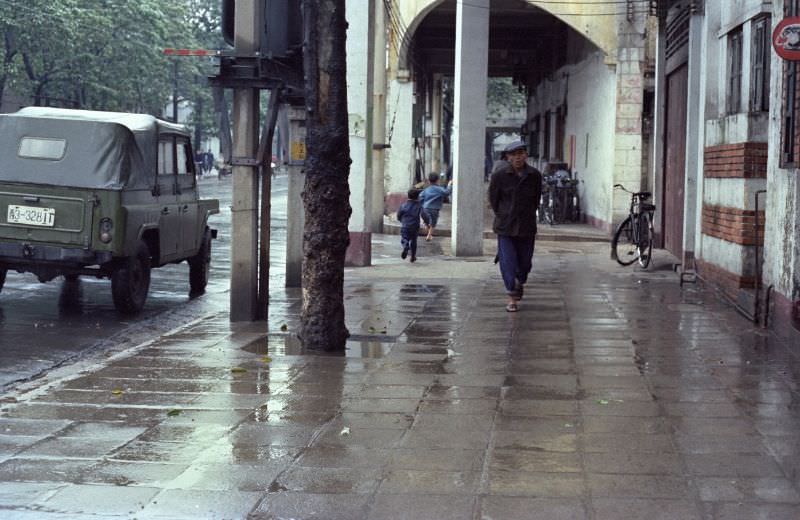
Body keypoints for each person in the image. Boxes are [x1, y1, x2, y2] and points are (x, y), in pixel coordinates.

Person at [488, 140, 542, 312]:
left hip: (527, 225)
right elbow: (493, 200)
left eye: (521, 153)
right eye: (514, 154)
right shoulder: (500, 175)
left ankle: (520, 281)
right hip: (506, 226)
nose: (518, 157)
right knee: (508, 262)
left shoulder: (534, 175)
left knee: (525, 263)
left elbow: (536, 199)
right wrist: (504, 214)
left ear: (526, 155)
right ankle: (511, 297)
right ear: (508, 157)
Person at [419, 173, 453, 241]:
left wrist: (422, 206)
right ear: (438, 180)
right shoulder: (439, 189)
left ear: (429, 181)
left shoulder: (426, 189)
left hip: (425, 209)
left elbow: (420, 197)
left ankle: (428, 231)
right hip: (434, 209)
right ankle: (429, 235)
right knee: (433, 223)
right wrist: (449, 185)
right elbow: (447, 192)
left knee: (427, 222)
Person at [396, 188, 422, 263]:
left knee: (404, 238)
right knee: (414, 241)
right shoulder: (419, 206)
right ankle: (413, 257)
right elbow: (424, 214)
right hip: (415, 226)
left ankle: (406, 245)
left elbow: (399, 215)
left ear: (408, 196)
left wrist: (401, 220)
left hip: (405, 226)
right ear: (417, 197)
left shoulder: (403, 205)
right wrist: (428, 222)